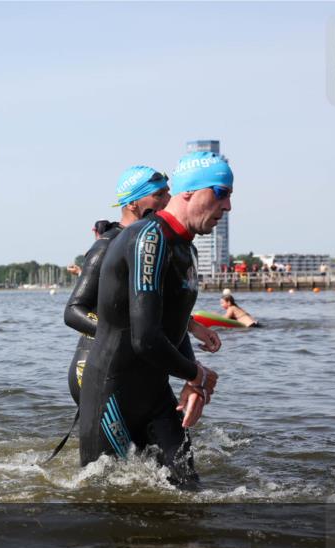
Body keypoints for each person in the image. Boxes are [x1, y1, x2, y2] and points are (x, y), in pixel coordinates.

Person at [77, 151, 233, 490]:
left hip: (155, 395)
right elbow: (145, 337)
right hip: (112, 394)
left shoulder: (186, 248)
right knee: (103, 503)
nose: (228, 206)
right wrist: (199, 375)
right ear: (190, 192)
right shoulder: (149, 238)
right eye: (220, 193)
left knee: (190, 492)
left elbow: (172, 325)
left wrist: (193, 383)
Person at [63, 166, 219, 405]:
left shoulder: (161, 244)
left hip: (140, 365)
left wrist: (191, 327)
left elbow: (153, 311)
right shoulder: (107, 245)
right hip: (96, 365)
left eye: (168, 192)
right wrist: (120, 335)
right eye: (159, 195)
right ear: (133, 204)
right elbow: (73, 311)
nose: (168, 200)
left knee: (175, 442)